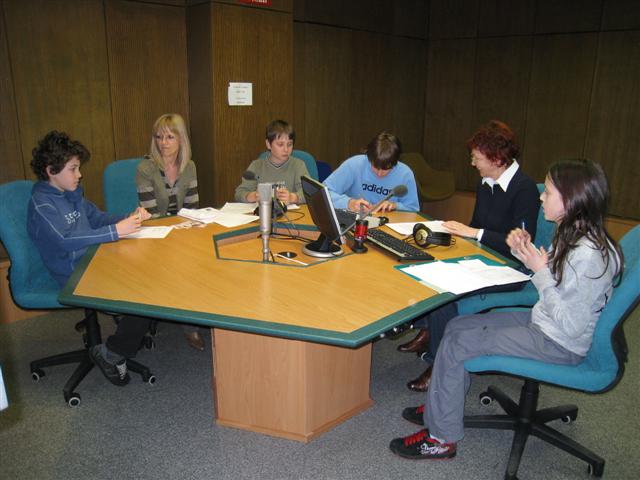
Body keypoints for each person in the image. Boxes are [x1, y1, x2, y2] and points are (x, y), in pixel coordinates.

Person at [389, 158, 623, 460]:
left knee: (460, 342)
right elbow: (560, 285)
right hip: (545, 322)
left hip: (559, 341)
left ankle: (441, 438)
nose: (541, 198)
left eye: (548, 192)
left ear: (571, 199)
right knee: (457, 325)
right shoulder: (573, 232)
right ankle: (441, 406)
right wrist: (526, 254)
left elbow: (571, 324)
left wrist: (540, 271)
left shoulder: (588, 255)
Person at [398, 120, 539, 392]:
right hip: (484, 259)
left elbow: (521, 244)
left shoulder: (524, 189)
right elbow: (477, 227)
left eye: (477, 158)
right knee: (428, 266)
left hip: (512, 268)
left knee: (445, 292)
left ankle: (439, 363)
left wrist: (474, 234)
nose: (472, 163)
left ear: (496, 159)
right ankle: (429, 330)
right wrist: (451, 236)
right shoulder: (486, 182)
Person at [27, 130, 152, 386]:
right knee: (144, 294)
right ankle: (113, 351)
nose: (79, 174)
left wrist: (129, 218)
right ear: (51, 170)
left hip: (94, 261)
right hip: (73, 274)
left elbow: (98, 218)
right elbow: (65, 239)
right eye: (73, 169)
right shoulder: (42, 205)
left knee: (149, 273)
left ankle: (127, 330)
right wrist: (116, 231)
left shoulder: (71, 194)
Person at [136, 113, 206, 351]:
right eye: (159, 137)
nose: (163, 143)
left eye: (169, 137)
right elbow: (152, 214)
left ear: (181, 139)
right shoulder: (146, 168)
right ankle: (190, 327)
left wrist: (189, 230)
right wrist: (176, 235)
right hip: (154, 233)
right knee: (183, 265)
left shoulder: (189, 166)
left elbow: (192, 208)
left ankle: (203, 312)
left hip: (181, 230)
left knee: (202, 258)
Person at [324, 131, 420, 212]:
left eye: (385, 169)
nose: (379, 174)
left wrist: (395, 206)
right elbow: (324, 193)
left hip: (387, 224)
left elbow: (413, 209)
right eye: (375, 167)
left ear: (395, 163)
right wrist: (348, 203)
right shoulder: (354, 165)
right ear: (369, 158)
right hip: (354, 221)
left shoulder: (405, 174)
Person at [234, 119, 309, 205]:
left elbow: (309, 193)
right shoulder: (256, 166)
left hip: (291, 212)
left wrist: (293, 197)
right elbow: (239, 193)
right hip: (263, 211)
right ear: (268, 144)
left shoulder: (298, 165)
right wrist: (253, 196)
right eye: (280, 144)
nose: (286, 149)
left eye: (289, 144)